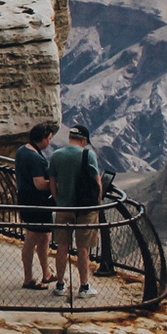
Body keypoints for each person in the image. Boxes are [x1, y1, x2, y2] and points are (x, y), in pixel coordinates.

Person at [49, 124, 104, 297]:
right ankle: (84, 287)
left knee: (62, 246)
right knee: (83, 248)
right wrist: (98, 202)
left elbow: (52, 181)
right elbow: (97, 182)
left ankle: (59, 285)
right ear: (84, 140)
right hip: (85, 209)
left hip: (64, 207)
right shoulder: (88, 155)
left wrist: (59, 200)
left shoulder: (56, 155)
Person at [15, 121, 57, 289]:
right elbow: (40, 184)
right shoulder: (34, 158)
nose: (50, 142)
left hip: (27, 200)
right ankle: (28, 279)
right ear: (43, 139)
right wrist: (55, 183)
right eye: (49, 139)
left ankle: (46, 273)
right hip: (36, 203)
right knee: (32, 238)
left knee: (45, 236)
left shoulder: (23, 150)